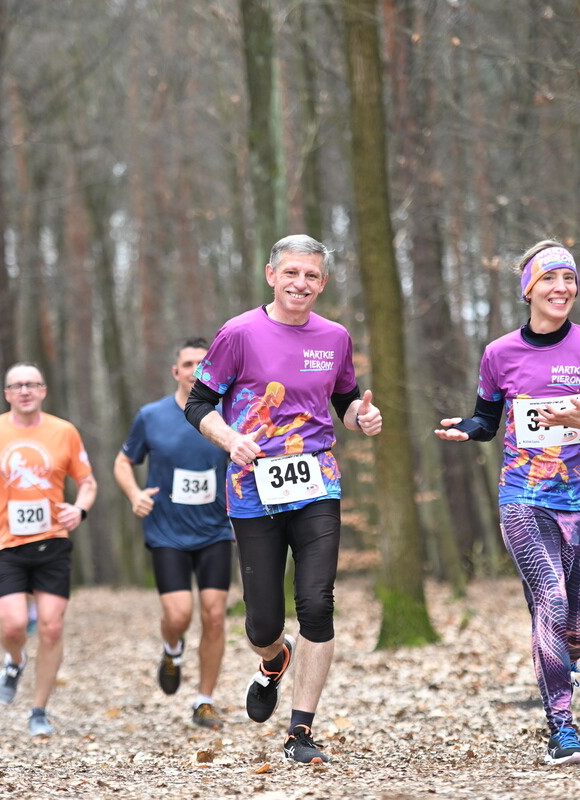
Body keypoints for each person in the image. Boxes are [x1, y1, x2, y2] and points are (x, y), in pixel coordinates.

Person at [434, 240, 580, 766]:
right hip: (524, 495)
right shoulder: (499, 353)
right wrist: (468, 429)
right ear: (529, 288)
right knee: (549, 599)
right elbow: (488, 420)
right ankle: (562, 728)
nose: (562, 288)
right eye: (550, 279)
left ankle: (558, 663)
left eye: (570, 279)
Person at [184, 234, 382, 765]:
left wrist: (359, 417)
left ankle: (301, 731)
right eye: (292, 273)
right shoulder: (239, 333)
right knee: (263, 624)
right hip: (252, 488)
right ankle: (274, 661)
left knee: (317, 602)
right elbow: (198, 402)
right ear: (271, 275)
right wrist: (230, 439)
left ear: (323, 283)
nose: (301, 284)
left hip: (317, 481)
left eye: (312, 276)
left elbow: (342, 397)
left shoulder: (335, 337)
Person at [0, 362, 98, 737]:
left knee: (51, 628)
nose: (25, 391)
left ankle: (39, 710)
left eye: (32, 384)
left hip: (51, 541)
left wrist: (79, 510)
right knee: (14, 624)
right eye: (17, 385)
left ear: (43, 390)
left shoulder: (63, 431)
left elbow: (88, 483)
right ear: (7, 394)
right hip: (3, 543)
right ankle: (15, 659)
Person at [113, 337, 234, 731]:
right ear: (176, 371)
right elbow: (123, 461)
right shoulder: (151, 415)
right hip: (167, 530)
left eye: (203, 363)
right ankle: (171, 649)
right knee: (179, 614)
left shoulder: (226, 414)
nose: (196, 369)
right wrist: (134, 494)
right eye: (188, 363)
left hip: (216, 529)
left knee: (214, 615)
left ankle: (204, 701)